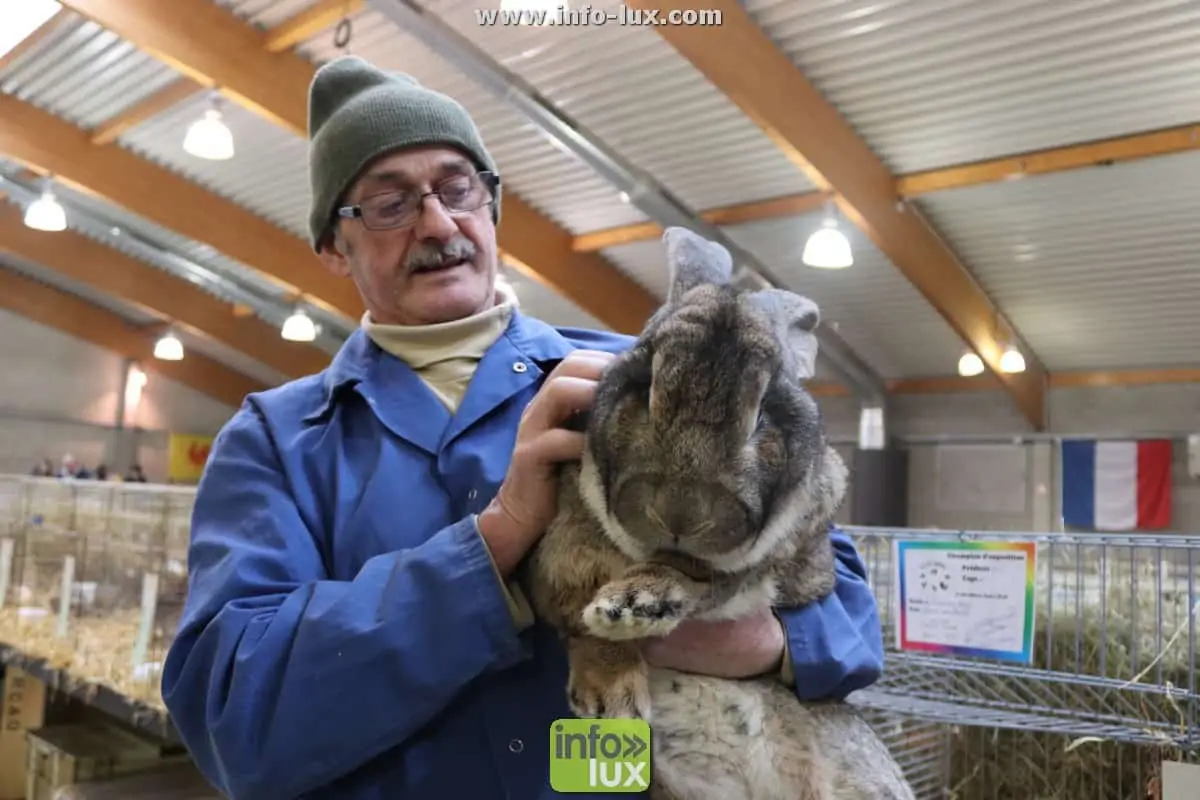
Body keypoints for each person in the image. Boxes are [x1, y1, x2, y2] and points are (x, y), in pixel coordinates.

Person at [160, 55, 885, 800]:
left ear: (492, 203)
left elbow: (849, 619)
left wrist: (761, 642)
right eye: (389, 204)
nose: (438, 223)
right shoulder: (278, 442)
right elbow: (234, 722)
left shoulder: (633, 378)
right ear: (332, 248)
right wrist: (496, 540)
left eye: (457, 187)